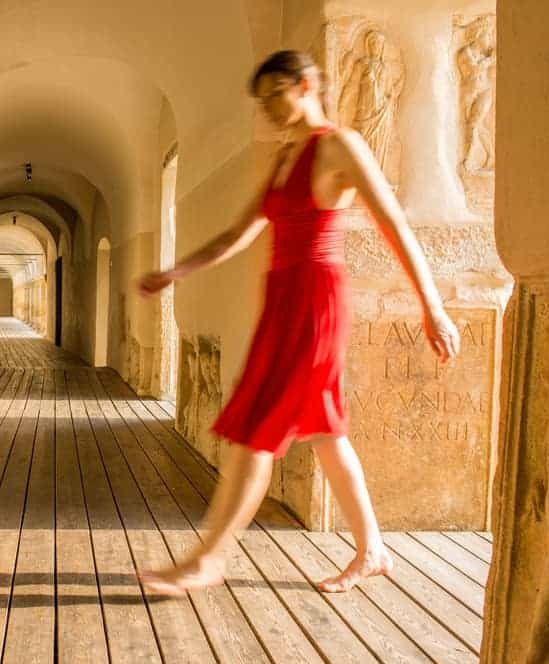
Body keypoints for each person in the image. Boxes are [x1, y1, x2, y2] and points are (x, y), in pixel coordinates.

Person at [135, 50, 460, 594]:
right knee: (325, 432)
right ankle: (372, 550)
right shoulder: (285, 157)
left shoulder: (339, 146)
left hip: (315, 301)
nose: (266, 108)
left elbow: (393, 225)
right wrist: (176, 270)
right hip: (283, 301)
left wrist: (433, 305)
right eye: (260, 100)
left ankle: (208, 558)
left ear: (307, 84)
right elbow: (240, 231)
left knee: (258, 428)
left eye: (274, 94)